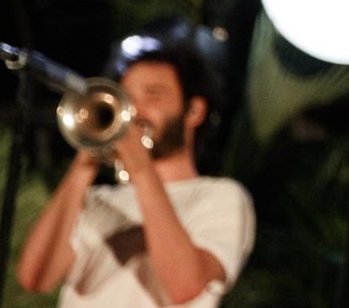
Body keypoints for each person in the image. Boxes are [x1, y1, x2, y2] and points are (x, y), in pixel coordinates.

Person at [16, 34, 255, 306]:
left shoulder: (221, 196)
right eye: (126, 97)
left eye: (153, 94)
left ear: (194, 111)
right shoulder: (97, 199)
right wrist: (83, 166)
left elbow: (184, 286)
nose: (134, 110)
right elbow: (35, 278)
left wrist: (141, 169)